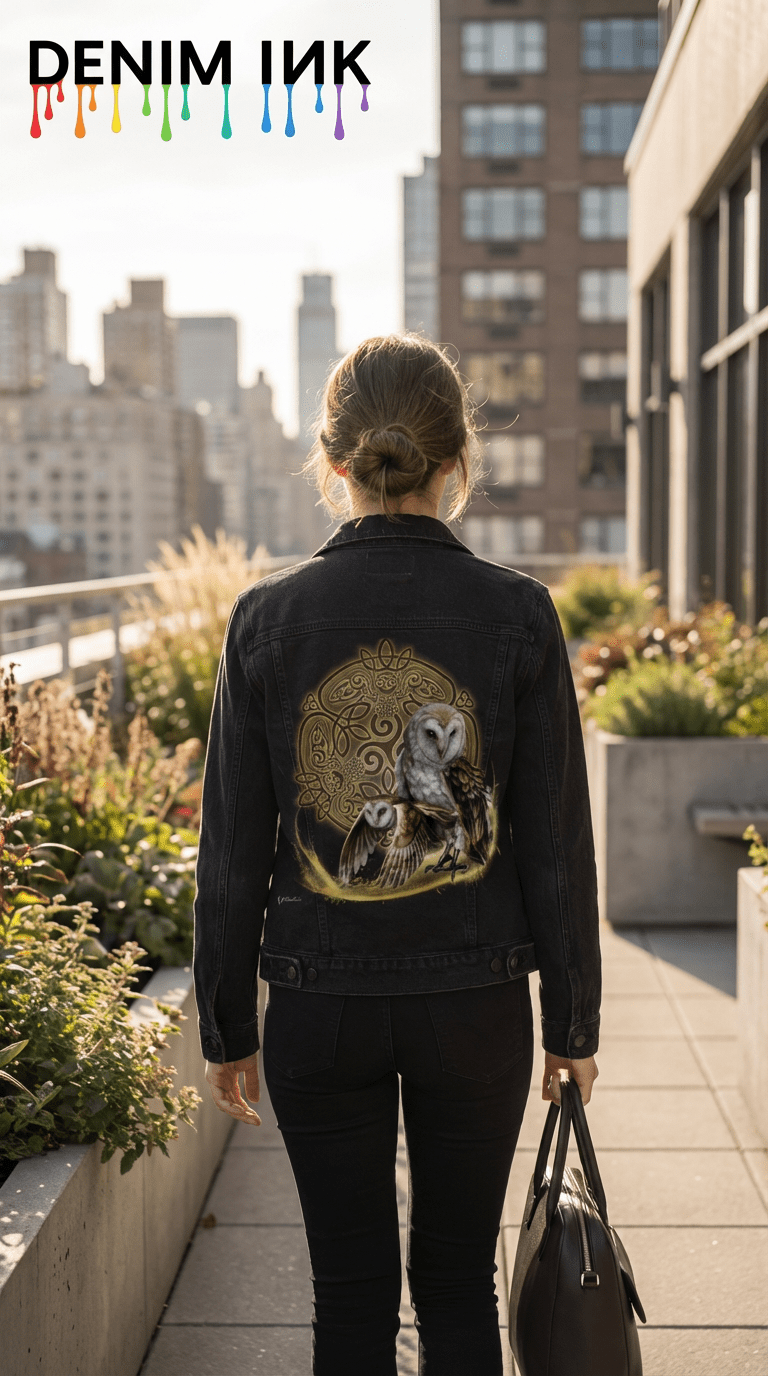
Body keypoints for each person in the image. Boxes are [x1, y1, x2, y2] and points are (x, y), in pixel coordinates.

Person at [193, 334, 600, 1376]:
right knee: (459, 1282)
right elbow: (554, 841)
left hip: (318, 1005)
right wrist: (573, 1024)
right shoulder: (520, 614)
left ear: (335, 462)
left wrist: (228, 1024)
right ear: (458, 458)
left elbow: (232, 848)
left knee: (348, 1293)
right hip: (477, 1005)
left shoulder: (265, 618)